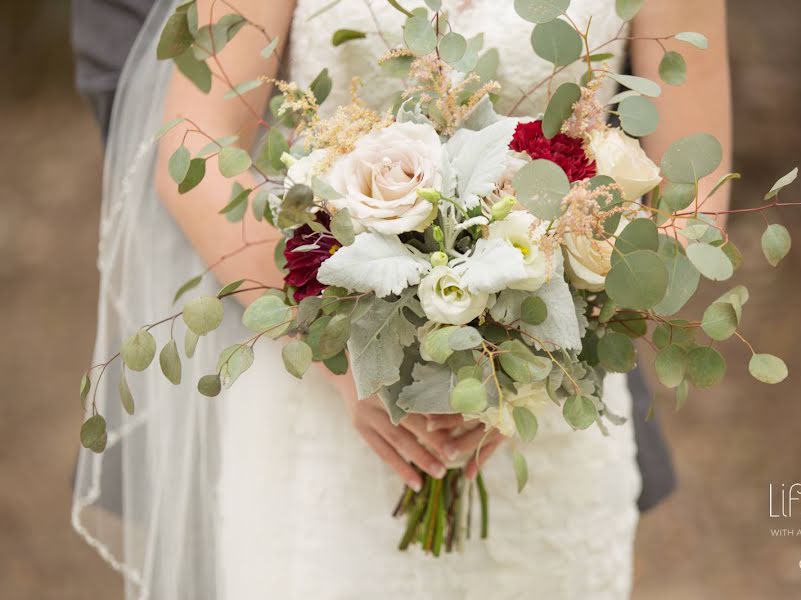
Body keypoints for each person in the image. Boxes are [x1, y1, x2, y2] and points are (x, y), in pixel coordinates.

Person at [72, 1, 730, 597]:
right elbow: (196, 150)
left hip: (546, 427)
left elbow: (694, 208)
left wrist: (523, 359)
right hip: (326, 421)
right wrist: (338, 351)